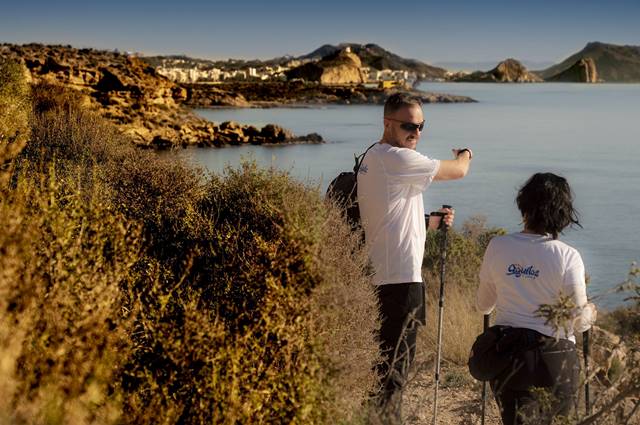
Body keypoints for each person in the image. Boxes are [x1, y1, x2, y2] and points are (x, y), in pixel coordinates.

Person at [357, 92, 472, 417]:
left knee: (384, 373)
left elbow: (391, 214)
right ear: (387, 123)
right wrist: (465, 153)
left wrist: (431, 223)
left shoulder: (373, 156)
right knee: (394, 375)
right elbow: (458, 170)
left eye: (422, 126)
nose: (417, 133)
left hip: (384, 276)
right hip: (400, 284)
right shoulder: (397, 158)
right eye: (409, 125)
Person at [476, 172, 597, 425]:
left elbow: (484, 305)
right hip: (555, 357)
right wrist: (591, 313)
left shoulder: (498, 246)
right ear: (562, 214)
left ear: (524, 206)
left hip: (509, 356)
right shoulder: (567, 256)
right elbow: (579, 322)